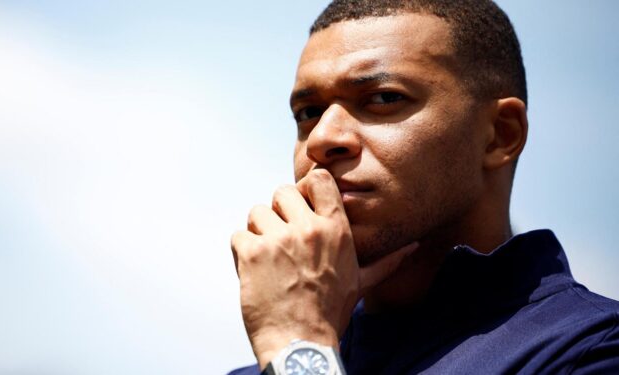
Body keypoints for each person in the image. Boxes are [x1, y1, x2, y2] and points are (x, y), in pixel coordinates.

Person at [229, 0, 619, 374]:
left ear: (500, 135)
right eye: (309, 112)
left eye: (383, 98)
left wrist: (299, 346)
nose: (321, 138)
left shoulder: (591, 350)